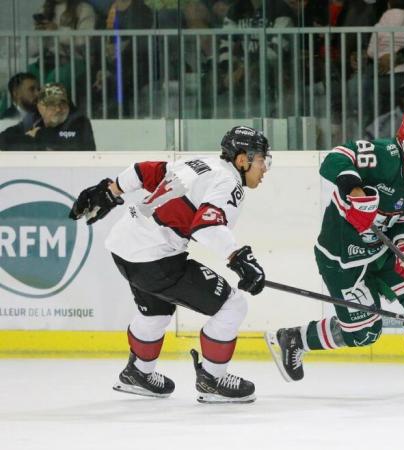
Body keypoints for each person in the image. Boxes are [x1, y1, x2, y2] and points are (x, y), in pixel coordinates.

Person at [266, 106, 404, 392]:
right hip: (342, 259)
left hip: (379, 253)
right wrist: (354, 189)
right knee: (364, 334)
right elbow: (336, 158)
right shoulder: (384, 154)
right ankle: (295, 338)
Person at [67, 125, 271, 403]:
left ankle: (138, 373)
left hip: (125, 246)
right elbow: (206, 226)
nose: (265, 168)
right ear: (242, 159)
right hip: (155, 258)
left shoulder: (201, 163)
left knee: (156, 312)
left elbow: (144, 171)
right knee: (233, 305)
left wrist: (111, 190)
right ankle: (213, 379)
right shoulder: (228, 182)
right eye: (262, 160)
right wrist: (239, 258)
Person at [0, 83, 95, 151]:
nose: (58, 109)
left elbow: (69, 145)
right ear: (40, 107)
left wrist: (37, 135)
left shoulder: (79, 121)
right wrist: (30, 140)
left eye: (62, 104)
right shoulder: (34, 119)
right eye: (52, 105)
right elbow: (4, 139)